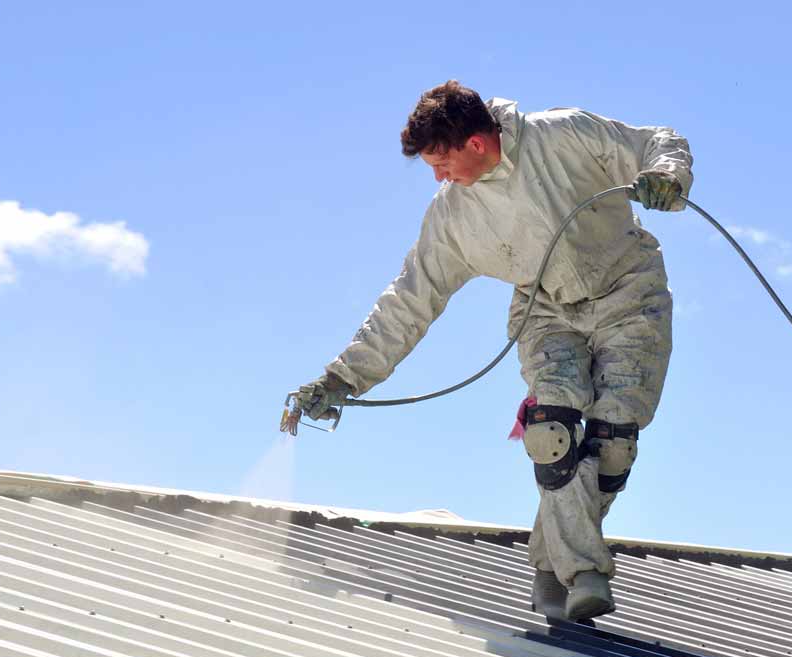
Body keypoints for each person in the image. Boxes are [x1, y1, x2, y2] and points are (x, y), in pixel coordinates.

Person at [292, 80, 692, 622]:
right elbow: (409, 299)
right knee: (551, 433)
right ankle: (585, 572)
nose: (438, 176)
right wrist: (343, 378)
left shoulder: (563, 134)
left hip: (631, 293)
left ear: (475, 144)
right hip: (545, 309)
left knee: (613, 442)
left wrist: (667, 174)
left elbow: (655, 140)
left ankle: (549, 566)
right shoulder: (452, 216)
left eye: (441, 162)